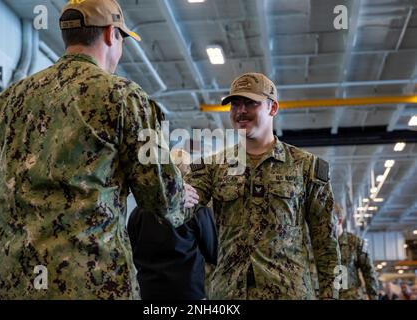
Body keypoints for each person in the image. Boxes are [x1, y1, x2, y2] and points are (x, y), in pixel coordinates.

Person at [0, 0, 198, 299]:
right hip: (89, 283)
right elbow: (162, 199)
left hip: (7, 282)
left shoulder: (9, 99)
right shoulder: (124, 97)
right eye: (122, 39)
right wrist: (182, 196)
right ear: (110, 34)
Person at [186, 72, 341, 300]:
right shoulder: (212, 167)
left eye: (251, 103)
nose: (241, 111)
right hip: (229, 294)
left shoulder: (306, 167)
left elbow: (327, 244)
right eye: (235, 104)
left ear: (273, 108)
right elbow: (178, 212)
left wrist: (334, 294)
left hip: (289, 293)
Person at [127, 149, 218, 300]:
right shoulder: (197, 210)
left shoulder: (139, 211)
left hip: (149, 291)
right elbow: (213, 251)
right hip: (189, 291)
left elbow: (132, 251)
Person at [336, 204, 379, 300]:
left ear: (339, 221)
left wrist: (373, 297)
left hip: (351, 296)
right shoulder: (320, 243)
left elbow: (369, 272)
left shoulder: (355, 243)